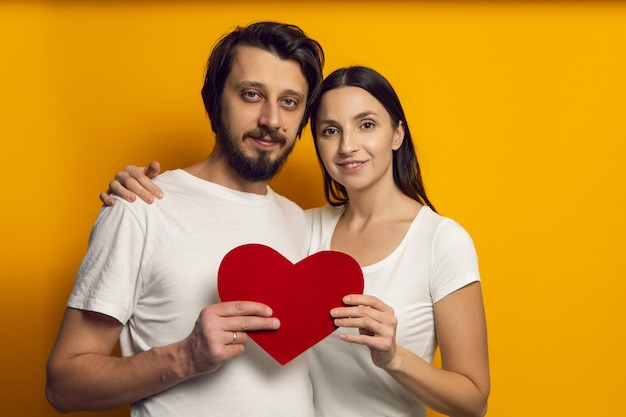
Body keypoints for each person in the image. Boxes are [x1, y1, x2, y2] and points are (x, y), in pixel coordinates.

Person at [102, 66, 490, 417]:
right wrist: (134, 193)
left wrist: (393, 357)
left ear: (397, 134)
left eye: (367, 125)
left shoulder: (442, 241)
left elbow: (473, 401)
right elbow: (212, 226)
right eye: (330, 130)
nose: (348, 146)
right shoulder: (300, 228)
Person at [46, 21, 325, 417]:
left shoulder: (302, 223)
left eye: (290, 102)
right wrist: (185, 357)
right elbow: (62, 385)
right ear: (215, 100)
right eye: (251, 94)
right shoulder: (141, 206)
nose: (271, 119)